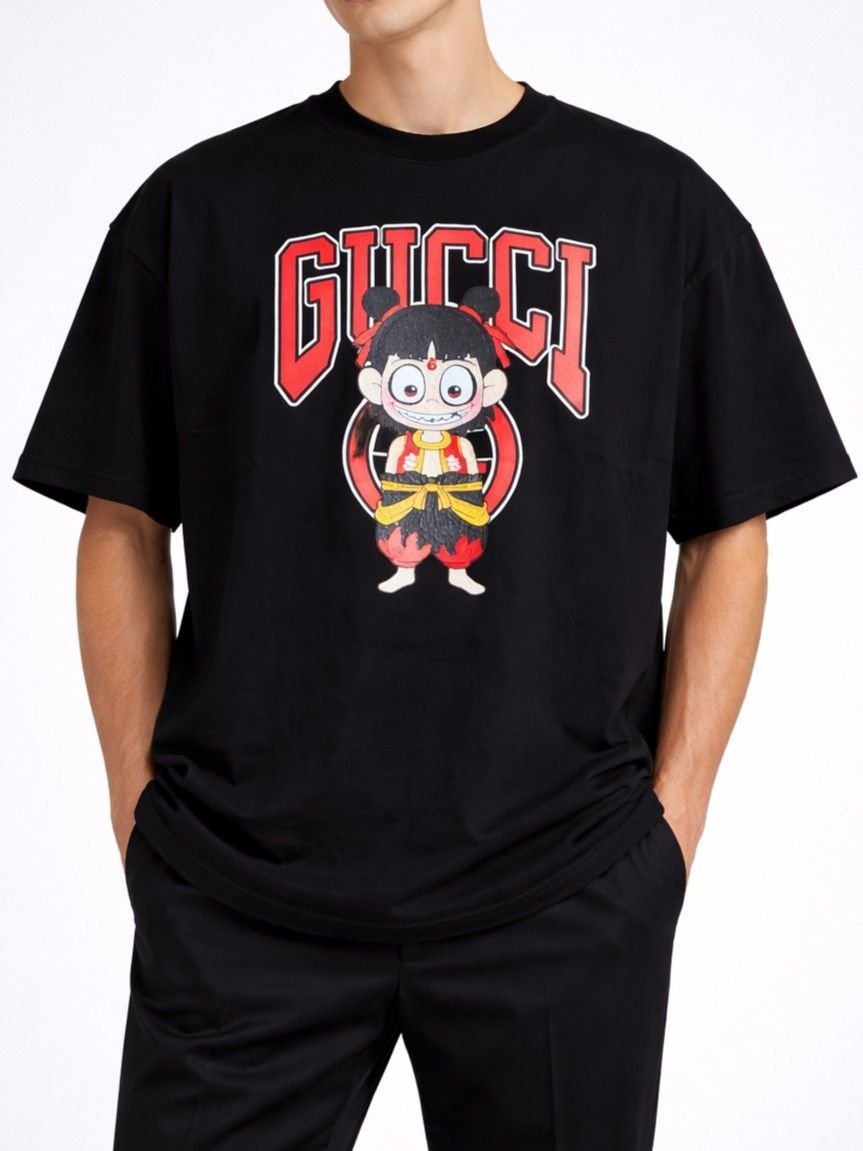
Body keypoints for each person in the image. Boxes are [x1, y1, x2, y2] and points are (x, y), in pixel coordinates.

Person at [10, 1, 857, 1147]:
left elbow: (727, 527)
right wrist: (140, 809)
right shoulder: (198, 205)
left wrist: (668, 825)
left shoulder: (655, 207)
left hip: (561, 886)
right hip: (238, 889)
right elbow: (119, 516)